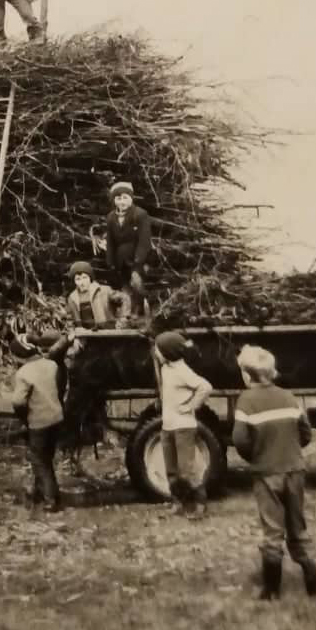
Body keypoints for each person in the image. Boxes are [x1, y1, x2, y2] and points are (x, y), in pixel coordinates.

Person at [232, 344, 316, 602]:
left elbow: (240, 440)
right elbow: (305, 433)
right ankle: (312, 579)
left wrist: (256, 456)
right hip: (295, 470)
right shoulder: (289, 396)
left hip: (266, 472)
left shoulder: (246, 400)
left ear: (247, 376)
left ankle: (271, 589)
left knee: (272, 528)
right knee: (297, 524)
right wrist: (291, 450)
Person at [154, 332, 213, 518]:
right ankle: (177, 502)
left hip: (183, 427)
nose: (155, 352)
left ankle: (200, 504)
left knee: (187, 469)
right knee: (171, 469)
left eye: (158, 349)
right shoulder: (166, 368)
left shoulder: (182, 371)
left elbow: (205, 386)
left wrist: (191, 406)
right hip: (168, 426)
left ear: (168, 353)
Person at [10, 330, 65, 512]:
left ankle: (51, 499)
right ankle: (43, 491)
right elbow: (59, 387)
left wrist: (23, 416)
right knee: (46, 457)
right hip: (56, 417)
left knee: (39, 460)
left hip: (39, 421)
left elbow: (18, 401)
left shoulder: (23, 373)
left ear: (21, 355)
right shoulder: (51, 365)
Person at [105, 182, 152, 313]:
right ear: (114, 200)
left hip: (137, 259)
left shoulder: (140, 215)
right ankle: (128, 314)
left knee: (136, 283)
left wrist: (138, 261)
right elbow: (110, 242)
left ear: (131, 198)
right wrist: (110, 262)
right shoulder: (111, 218)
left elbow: (144, 241)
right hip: (121, 260)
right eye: (118, 198)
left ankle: (140, 311)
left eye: (125, 198)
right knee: (125, 288)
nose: (122, 202)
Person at [66, 260, 116, 326]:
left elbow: (124, 299)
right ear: (74, 281)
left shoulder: (104, 290)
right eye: (78, 279)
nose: (82, 282)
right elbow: (70, 318)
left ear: (90, 278)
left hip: (107, 331)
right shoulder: (72, 298)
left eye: (85, 278)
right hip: (85, 333)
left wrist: (122, 320)